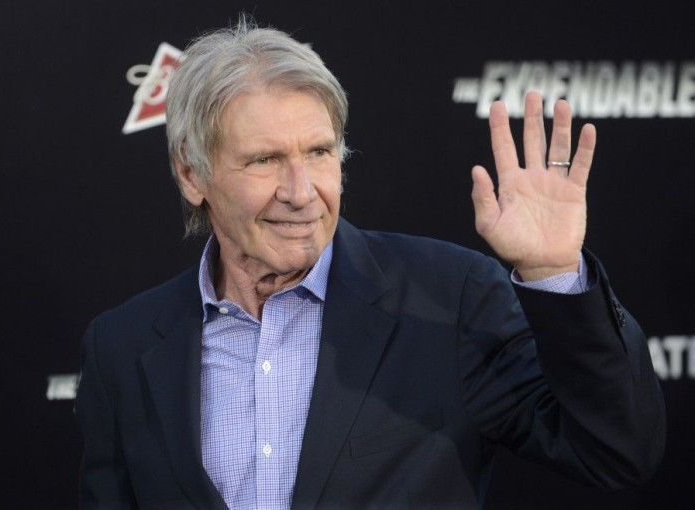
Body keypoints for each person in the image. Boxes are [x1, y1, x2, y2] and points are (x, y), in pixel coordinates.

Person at [75, 18, 666, 510]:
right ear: (191, 173)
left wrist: (554, 273)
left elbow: (616, 451)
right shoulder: (121, 346)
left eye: (319, 152)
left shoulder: (449, 299)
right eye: (264, 160)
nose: (301, 190)